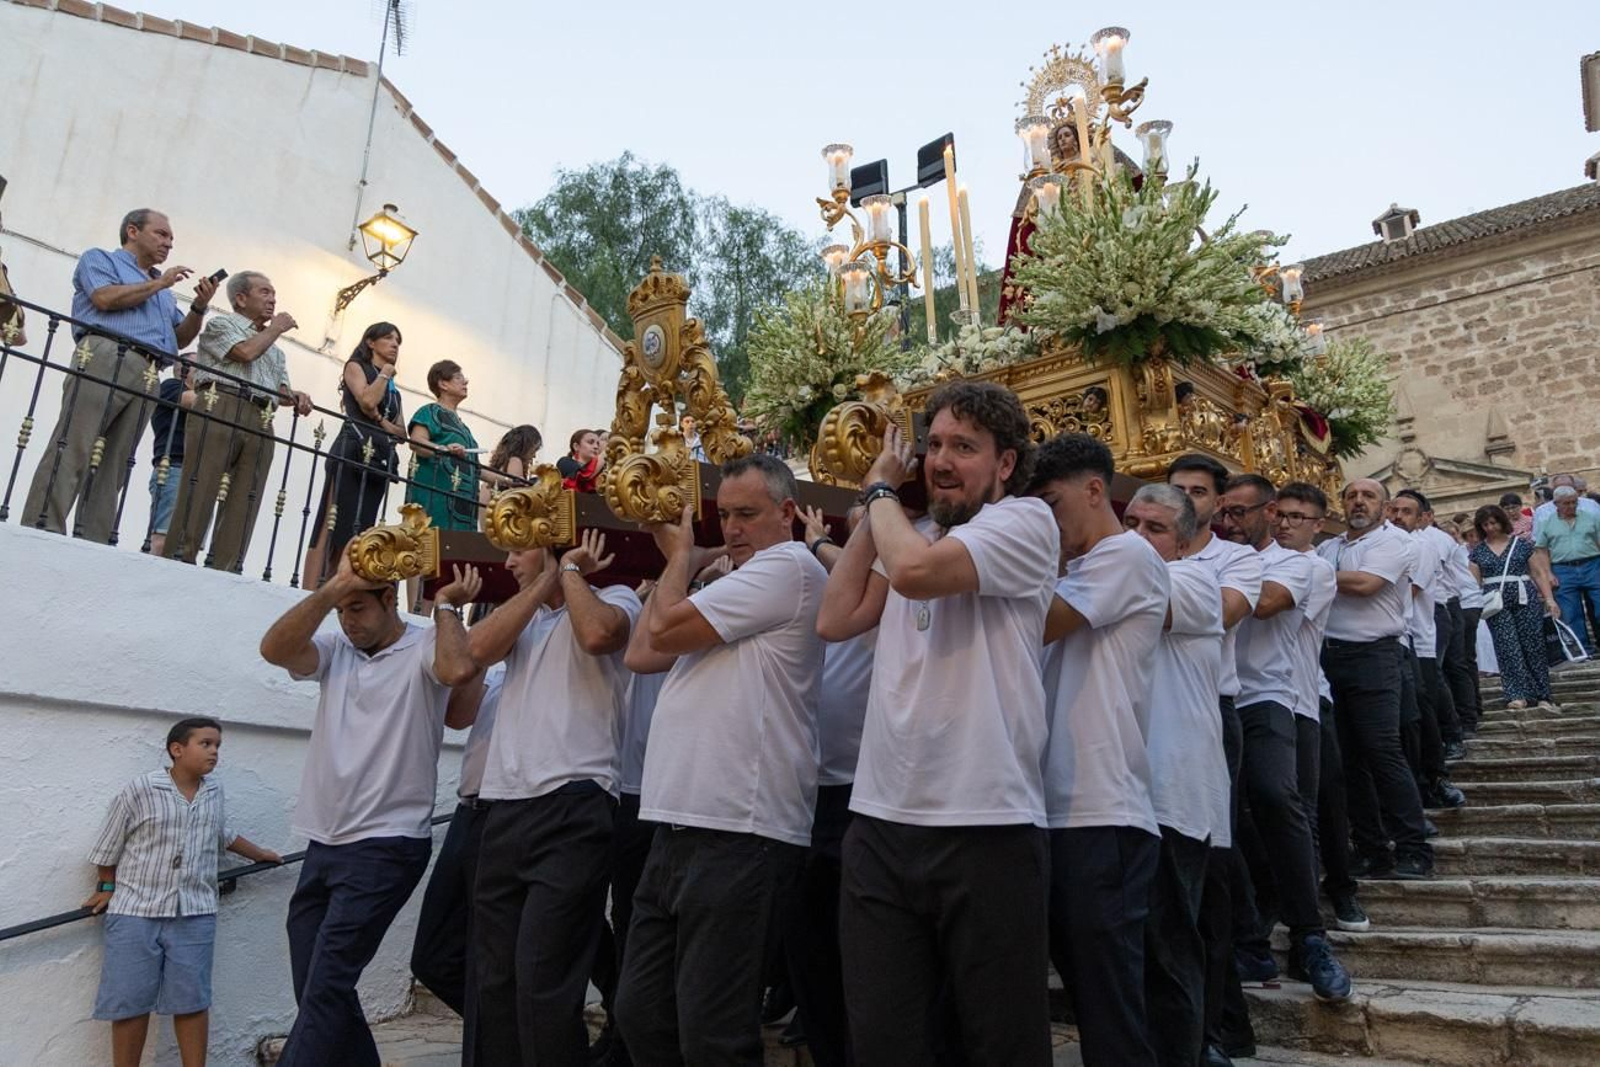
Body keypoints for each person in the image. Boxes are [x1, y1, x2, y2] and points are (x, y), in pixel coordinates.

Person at [818, 382, 1057, 1066]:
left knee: (1000, 1042)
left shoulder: (1025, 523)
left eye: (964, 447)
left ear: (1006, 464)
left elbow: (919, 574)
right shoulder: (910, 533)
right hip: (882, 822)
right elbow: (834, 619)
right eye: (933, 446)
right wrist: (875, 503)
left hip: (987, 823)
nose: (941, 461)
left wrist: (880, 495)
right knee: (886, 1040)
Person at [616, 452, 826, 1065]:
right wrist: (691, 571)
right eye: (723, 515)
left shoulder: (787, 566)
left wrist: (679, 557)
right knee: (640, 1010)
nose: (730, 529)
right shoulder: (733, 581)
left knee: (713, 1029)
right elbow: (640, 655)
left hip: (742, 827)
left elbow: (659, 636)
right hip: (681, 822)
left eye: (746, 515)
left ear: (786, 514)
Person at [258, 555, 484, 1066]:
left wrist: (447, 606)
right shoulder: (336, 648)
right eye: (341, 611)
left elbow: (458, 669)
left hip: (387, 844)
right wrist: (334, 588)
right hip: (324, 841)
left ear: (389, 599)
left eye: (357, 607)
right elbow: (273, 649)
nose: (347, 620)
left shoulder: (426, 643)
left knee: (327, 983)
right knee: (318, 986)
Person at [464, 530, 641, 1065]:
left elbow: (596, 635)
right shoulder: (526, 617)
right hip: (504, 806)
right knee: (494, 981)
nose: (509, 562)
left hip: (576, 802)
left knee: (543, 978)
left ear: (553, 549)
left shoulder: (618, 596)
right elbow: (474, 652)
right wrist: (546, 578)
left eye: (519, 550)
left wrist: (568, 572)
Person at [1034, 437, 1168, 1065]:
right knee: (1085, 996)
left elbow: (1032, 623)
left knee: (1109, 1006)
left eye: (1053, 504)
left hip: (1101, 811)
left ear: (1095, 491)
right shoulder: (1075, 567)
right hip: (1055, 809)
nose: (1048, 522)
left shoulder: (1129, 555)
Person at [1216, 474, 1352, 1003]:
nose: (1228, 522)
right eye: (1221, 513)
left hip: (1277, 696)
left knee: (1280, 801)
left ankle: (1310, 934)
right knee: (1230, 821)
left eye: (1239, 513)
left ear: (1268, 514)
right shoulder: (1209, 557)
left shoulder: (1304, 564)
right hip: (1213, 697)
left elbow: (1265, 603)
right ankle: (1252, 933)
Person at [83, 717, 281, 1067]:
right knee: (130, 1003)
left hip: (194, 912)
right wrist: (107, 886)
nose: (215, 751)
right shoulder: (141, 789)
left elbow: (222, 832)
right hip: (135, 912)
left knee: (192, 1001)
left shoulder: (213, 790)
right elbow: (108, 843)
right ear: (177, 749)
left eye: (218, 745)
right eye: (206, 744)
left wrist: (259, 853)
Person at [24, 209, 218, 542]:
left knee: (115, 464)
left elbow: (180, 338)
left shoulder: (164, 294)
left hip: (148, 370)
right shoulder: (100, 260)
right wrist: (159, 282)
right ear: (132, 231)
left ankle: (93, 540)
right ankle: (42, 527)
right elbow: (103, 298)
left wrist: (199, 306)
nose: (168, 243)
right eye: (161, 234)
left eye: (171, 238)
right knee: (74, 445)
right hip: (105, 354)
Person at [1122, 482, 1229, 1067]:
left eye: (1155, 530)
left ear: (1185, 542)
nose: (1138, 538)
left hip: (1173, 796)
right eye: (1131, 524)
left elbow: (1136, 600)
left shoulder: (1194, 582)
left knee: (1167, 951)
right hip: (1123, 793)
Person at [1165, 453, 1263, 1065]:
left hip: (1210, 713)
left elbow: (1220, 614)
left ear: (1217, 503)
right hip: (1147, 715)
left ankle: (1223, 1024)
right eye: (1174, 489)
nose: (1184, 500)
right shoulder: (1141, 551)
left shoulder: (1237, 559)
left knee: (1212, 871)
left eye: (1197, 492)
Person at [1316, 479, 1434, 881]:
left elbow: (1367, 584)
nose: (1358, 502)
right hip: (1331, 657)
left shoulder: (1393, 543)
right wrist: (1320, 570)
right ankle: (1370, 848)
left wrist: (1311, 572)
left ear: (1384, 508)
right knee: (1348, 759)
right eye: (1350, 495)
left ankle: (1414, 847)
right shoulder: (1328, 549)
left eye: (1368, 496)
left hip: (1375, 656)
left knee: (1383, 751)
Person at [790, 504, 871, 1067]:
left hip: (862, 788)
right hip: (802, 788)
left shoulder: (889, 569)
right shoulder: (816, 576)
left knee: (862, 953)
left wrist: (820, 542)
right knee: (807, 948)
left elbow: (876, 570)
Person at [166, 272, 311, 572]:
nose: (272, 299)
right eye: (265, 292)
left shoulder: (276, 353)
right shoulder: (222, 324)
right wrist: (277, 329)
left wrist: (295, 396)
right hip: (222, 403)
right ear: (241, 298)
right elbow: (244, 353)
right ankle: (180, 557)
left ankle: (227, 567)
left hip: (261, 414)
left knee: (247, 496)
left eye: (274, 294)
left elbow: (279, 390)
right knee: (201, 483)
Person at [1272, 482, 1367, 933]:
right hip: (1269, 699)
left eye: (1297, 517)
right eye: (1281, 514)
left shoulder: (1315, 568)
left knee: (1324, 803)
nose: (1285, 524)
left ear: (1317, 525)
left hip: (1310, 695)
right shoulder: (1256, 560)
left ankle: (1341, 891)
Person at [409, 663, 504, 1038]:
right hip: (469, 811)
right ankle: (507, 1033)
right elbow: (458, 716)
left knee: (493, 957)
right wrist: (481, 651)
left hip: (513, 812)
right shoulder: (496, 671)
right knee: (432, 957)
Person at [302, 322, 407, 589]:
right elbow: (367, 401)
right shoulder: (356, 367)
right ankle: (313, 586)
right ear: (371, 342)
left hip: (379, 458)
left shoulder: (395, 391)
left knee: (361, 526)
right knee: (333, 518)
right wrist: (383, 375)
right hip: (353, 448)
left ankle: (341, 584)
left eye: (398, 340)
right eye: (388, 338)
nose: (395, 344)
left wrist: (380, 419)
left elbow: (401, 432)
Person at [1388, 491, 1468, 811]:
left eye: (1406, 512)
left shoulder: (1422, 546)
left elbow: (1410, 591)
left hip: (1418, 638)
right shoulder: (1384, 544)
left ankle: (1436, 777)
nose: (1397, 516)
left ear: (1422, 518)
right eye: (1394, 509)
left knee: (1424, 711)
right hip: (1396, 641)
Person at [1470, 504, 1559, 709]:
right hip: (1495, 601)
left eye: (1493, 523)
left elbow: (1538, 573)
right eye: (1485, 524)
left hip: (1524, 596)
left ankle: (1541, 692)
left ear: (1502, 522)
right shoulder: (1478, 552)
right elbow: (1474, 582)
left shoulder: (1521, 545)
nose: (1490, 528)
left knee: (1533, 644)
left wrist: (1549, 599)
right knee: (1506, 646)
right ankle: (1516, 693)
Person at [407, 360, 481, 531]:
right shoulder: (430, 412)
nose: (465, 381)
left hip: (463, 505)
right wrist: (443, 449)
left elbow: (475, 468)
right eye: (458, 377)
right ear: (443, 384)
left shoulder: (464, 428)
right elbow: (416, 442)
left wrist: (508, 481)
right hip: (437, 499)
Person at [1534, 485, 1600, 656]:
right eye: (1567, 503)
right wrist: (1548, 573)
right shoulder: (1546, 522)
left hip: (1592, 564)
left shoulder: (1591, 517)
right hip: (1563, 568)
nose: (1571, 506)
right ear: (1557, 504)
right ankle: (1583, 650)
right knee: (1571, 613)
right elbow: (1541, 549)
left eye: (1574, 502)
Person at [145, 361, 196, 557]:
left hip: (189, 472)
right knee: (163, 539)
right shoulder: (171, 386)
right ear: (183, 370)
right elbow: (195, 401)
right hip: (173, 469)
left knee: (186, 545)